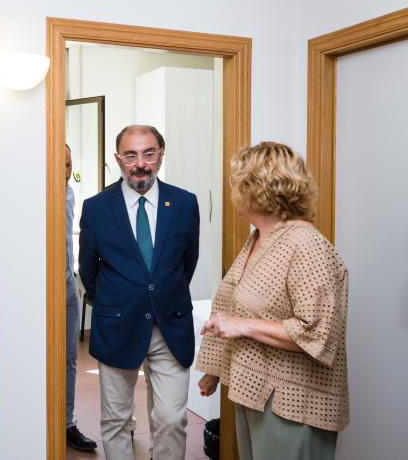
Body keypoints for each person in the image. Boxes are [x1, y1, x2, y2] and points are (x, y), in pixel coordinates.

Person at [196, 141, 349, 460]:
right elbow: (232, 305)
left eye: (237, 182)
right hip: (252, 392)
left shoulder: (306, 244)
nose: (231, 189)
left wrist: (241, 326)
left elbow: (319, 334)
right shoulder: (257, 239)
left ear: (257, 188)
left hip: (294, 404)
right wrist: (214, 369)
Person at [79, 125, 200, 460]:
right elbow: (89, 270)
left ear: (161, 155)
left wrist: (159, 294)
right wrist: (117, 300)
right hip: (118, 325)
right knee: (116, 421)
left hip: (170, 326)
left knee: (171, 419)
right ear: (119, 159)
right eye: (130, 155)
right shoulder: (97, 207)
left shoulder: (185, 204)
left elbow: (186, 263)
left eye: (149, 153)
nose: (140, 163)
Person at [64, 144, 97, 452]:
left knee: (69, 359)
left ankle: (67, 423)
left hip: (67, 286)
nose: (65, 173)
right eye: (60, 164)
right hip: (41, 290)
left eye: (69, 165)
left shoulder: (70, 195)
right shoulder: (36, 194)